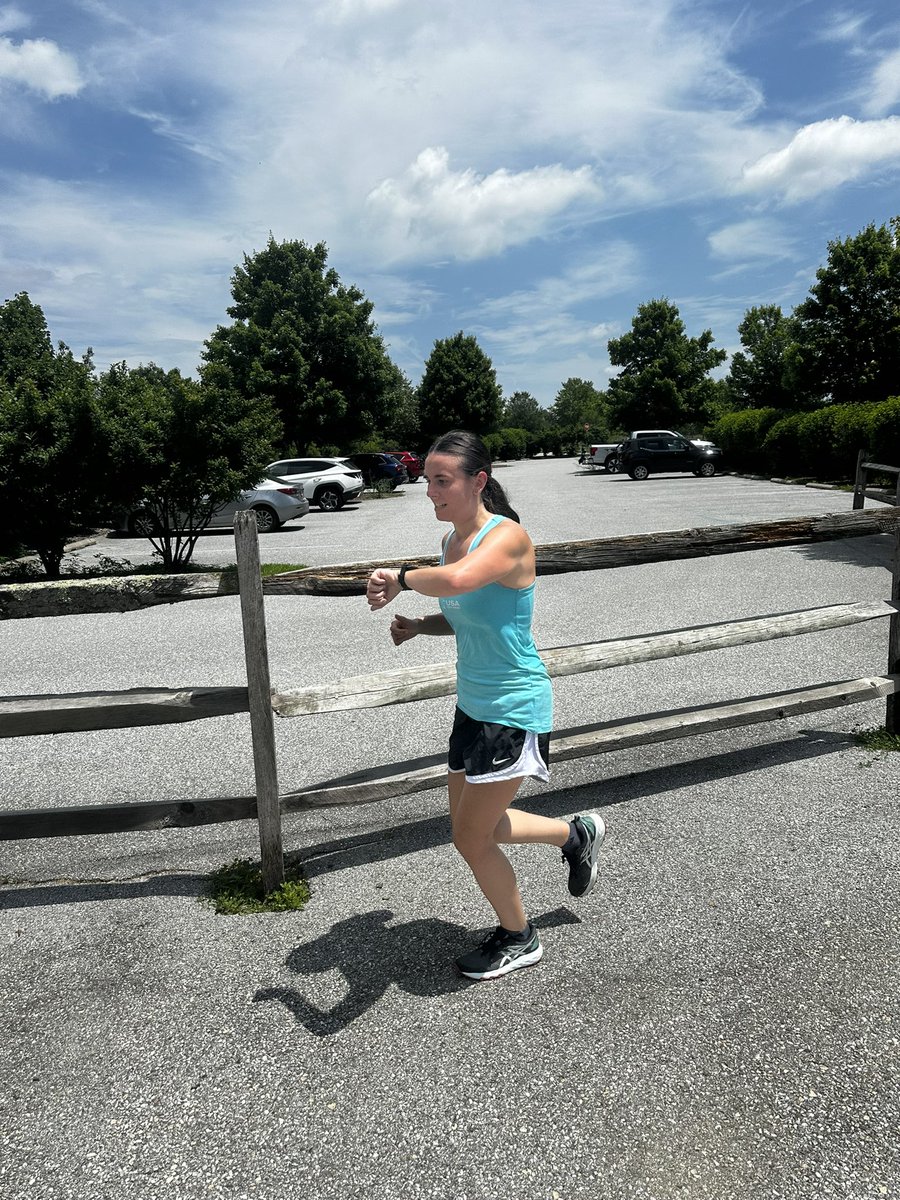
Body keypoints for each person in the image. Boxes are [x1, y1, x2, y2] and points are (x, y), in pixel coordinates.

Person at [366, 430, 605, 982]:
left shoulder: (508, 539)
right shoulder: (451, 542)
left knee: (470, 836)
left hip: (514, 706)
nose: (429, 491)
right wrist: (421, 626)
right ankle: (574, 836)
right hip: (473, 704)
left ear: (479, 481)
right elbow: (466, 609)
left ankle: (520, 937)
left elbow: (460, 580)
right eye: (426, 480)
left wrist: (399, 578)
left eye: (441, 480)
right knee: (481, 826)